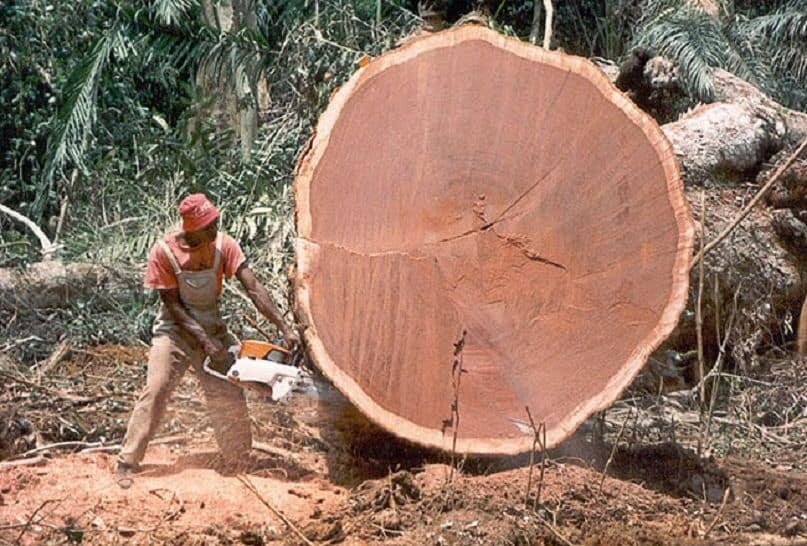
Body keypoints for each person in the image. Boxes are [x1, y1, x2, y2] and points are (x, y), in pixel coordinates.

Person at [117, 193, 298, 475]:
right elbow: (173, 306)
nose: (214, 230)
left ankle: (237, 458)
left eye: (215, 223)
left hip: (213, 328)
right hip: (175, 332)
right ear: (190, 228)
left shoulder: (224, 246)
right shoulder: (163, 252)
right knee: (158, 386)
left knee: (228, 388)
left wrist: (284, 327)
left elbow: (253, 287)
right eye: (207, 226)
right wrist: (205, 343)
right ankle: (128, 460)